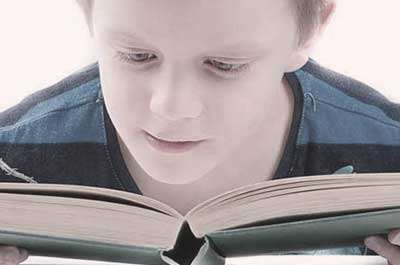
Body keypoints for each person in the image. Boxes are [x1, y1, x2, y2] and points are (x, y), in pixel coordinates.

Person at [0, 0, 399, 264]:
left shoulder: (389, 155)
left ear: (308, 32)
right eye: (137, 56)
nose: (171, 107)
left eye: (224, 65)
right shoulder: (12, 162)